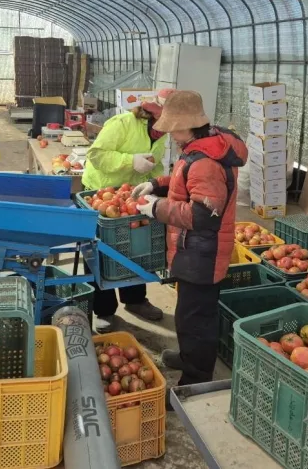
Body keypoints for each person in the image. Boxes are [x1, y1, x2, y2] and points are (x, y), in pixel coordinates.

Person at [133, 90, 247, 386]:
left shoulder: (206, 162)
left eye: (173, 128)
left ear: (187, 125)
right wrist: (155, 185)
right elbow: (186, 180)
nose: (169, 134)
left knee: (197, 322)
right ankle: (187, 357)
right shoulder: (200, 149)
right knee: (186, 314)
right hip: (193, 250)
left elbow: (202, 216)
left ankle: (196, 380)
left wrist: (156, 208)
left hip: (203, 254)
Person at [81, 89, 174, 333]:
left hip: (131, 196)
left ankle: (134, 300)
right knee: (100, 251)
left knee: (134, 247)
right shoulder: (122, 123)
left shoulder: (161, 134)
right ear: (153, 113)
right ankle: (104, 310)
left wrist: (158, 184)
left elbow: (155, 164)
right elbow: (96, 154)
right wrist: (130, 161)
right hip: (100, 193)